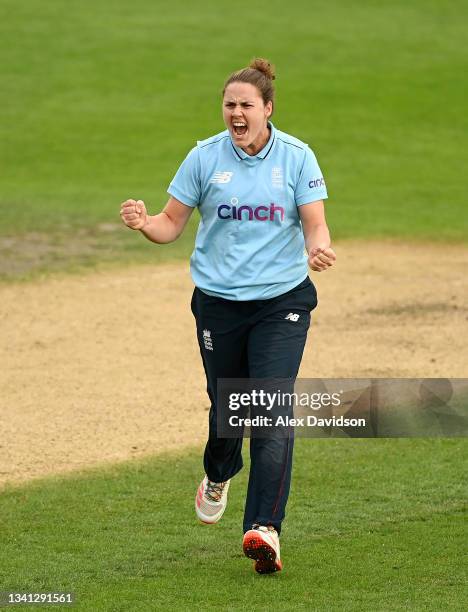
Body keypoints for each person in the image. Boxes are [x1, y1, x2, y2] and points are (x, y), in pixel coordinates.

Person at [120, 58, 336, 574]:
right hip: (218, 303)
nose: (236, 114)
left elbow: (316, 224)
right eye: (229, 105)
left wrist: (319, 249)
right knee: (227, 413)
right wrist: (145, 223)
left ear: (267, 109)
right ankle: (219, 472)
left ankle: (264, 529)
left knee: (268, 410)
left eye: (245, 105)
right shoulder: (203, 158)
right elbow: (172, 223)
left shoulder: (297, 157)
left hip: (282, 301)